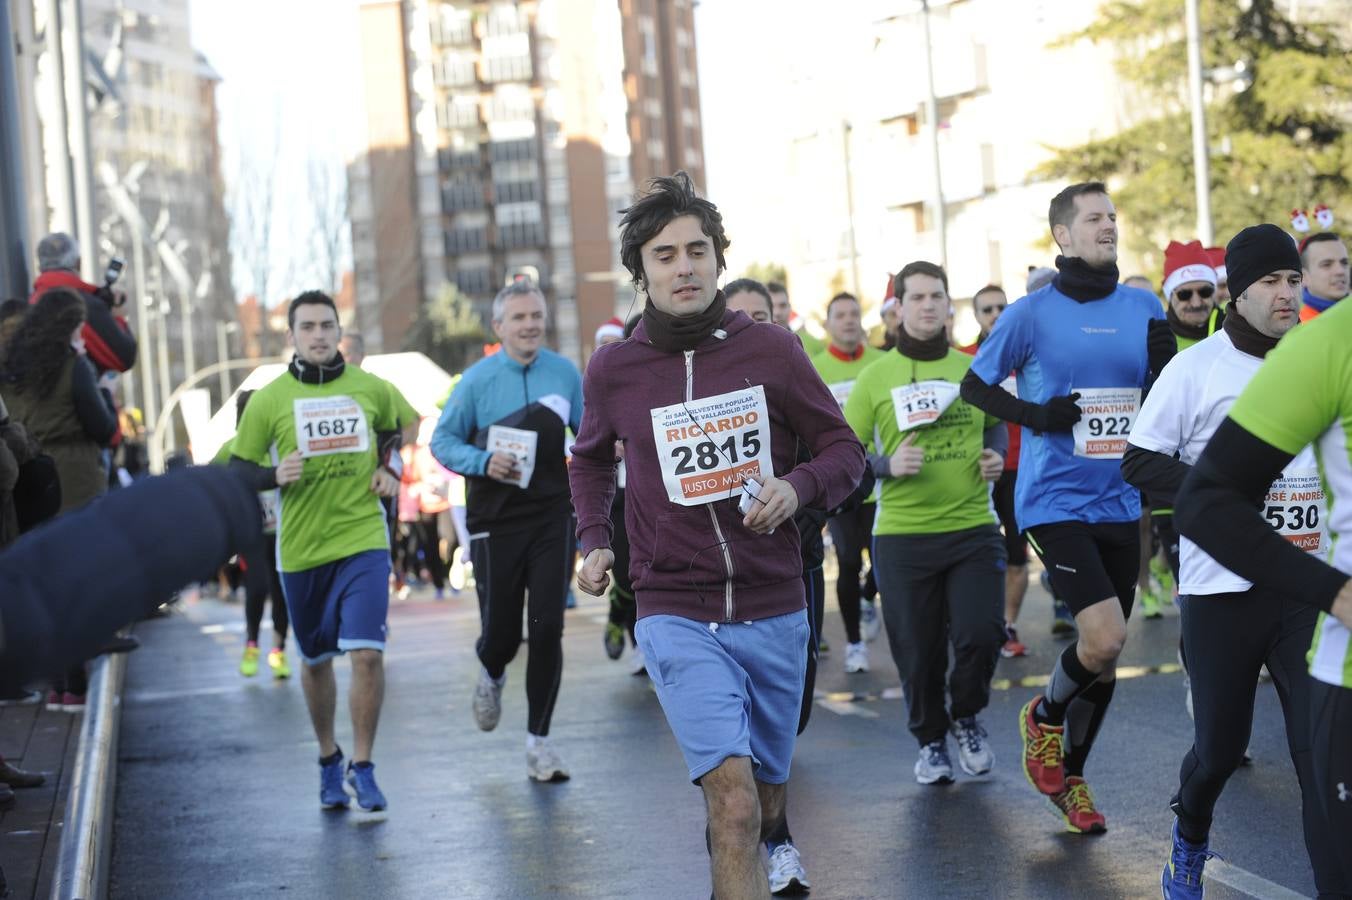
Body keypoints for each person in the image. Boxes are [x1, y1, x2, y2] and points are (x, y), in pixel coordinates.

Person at [569, 172, 864, 899]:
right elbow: (588, 460)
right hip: (673, 605)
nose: (684, 266)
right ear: (642, 271)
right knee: (730, 802)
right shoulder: (615, 369)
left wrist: (796, 489)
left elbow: (843, 451)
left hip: (775, 601)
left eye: (697, 250)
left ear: (718, 260)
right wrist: (592, 539)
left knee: (762, 799)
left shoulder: (770, 350)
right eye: (664, 255)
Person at [1123, 223, 1349, 898]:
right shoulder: (1195, 369)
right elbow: (1139, 460)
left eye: (1291, 280)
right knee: (1220, 750)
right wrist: (1220, 495)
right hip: (1222, 589)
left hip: (1306, 585)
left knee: (1319, 756)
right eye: (1269, 283)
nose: (1285, 294)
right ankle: (1189, 838)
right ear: (1235, 292)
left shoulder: (1315, 354)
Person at [961, 181, 1173, 833]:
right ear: (1063, 236)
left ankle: (1070, 780)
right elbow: (974, 387)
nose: (1108, 226)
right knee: (1105, 637)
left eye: (1112, 216)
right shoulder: (1030, 313)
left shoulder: (1144, 307)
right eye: (1094, 218)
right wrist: (1039, 415)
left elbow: (1164, 394)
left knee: (1102, 662)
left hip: (1121, 498)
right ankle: (1043, 717)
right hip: (1054, 499)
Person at [230, 290, 402, 812]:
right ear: (292, 337)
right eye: (308, 327)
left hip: (362, 539)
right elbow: (240, 470)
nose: (320, 335)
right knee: (316, 661)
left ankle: (364, 767)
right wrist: (271, 474)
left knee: (368, 655)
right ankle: (329, 758)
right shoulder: (268, 399)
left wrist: (389, 470)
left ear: (338, 329)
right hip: (302, 549)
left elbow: (395, 429)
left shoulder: (371, 387)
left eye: (328, 325)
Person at [846, 260, 1006, 785]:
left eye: (937, 296)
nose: (929, 305)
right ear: (897, 308)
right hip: (903, 537)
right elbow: (846, 456)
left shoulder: (974, 370)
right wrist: (888, 465)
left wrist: (993, 457)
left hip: (972, 530)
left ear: (948, 304)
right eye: (917, 298)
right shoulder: (875, 377)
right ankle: (931, 741)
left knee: (982, 634)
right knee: (917, 652)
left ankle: (966, 716)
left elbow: (997, 428)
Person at [430, 279, 584, 783]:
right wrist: (481, 460)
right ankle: (492, 671)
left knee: (547, 627)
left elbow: (589, 433)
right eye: (518, 318)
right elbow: (442, 442)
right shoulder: (475, 382)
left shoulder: (564, 374)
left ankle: (540, 742)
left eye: (536, 315)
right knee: (501, 634)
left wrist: (609, 450)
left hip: (550, 514)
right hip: (495, 520)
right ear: (499, 327)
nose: (530, 325)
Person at [1, 289, 119, 712]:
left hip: (32, 476)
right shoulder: (74, 368)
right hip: (77, 477)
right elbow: (102, 426)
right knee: (77, 582)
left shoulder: (11, 369)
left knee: (45, 586)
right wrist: (106, 396)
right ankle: (76, 685)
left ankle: (56, 684)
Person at [809, 291, 884, 673]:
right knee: (850, 559)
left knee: (883, 562)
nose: (850, 321)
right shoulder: (814, 367)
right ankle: (855, 644)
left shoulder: (882, 363)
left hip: (885, 480)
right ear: (827, 324)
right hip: (842, 482)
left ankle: (870, 596)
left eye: (855, 314)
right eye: (841, 315)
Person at [961, 285, 1029, 657]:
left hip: (1020, 467)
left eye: (1002, 307)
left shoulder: (1027, 352)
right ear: (976, 316)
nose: (995, 314)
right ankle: (973, 622)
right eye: (987, 309)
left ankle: (1008, 626)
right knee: (978, 554)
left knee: (1017, 553)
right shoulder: (964, 359)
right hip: (979, 468)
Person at [214, 390, 290, 679]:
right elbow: (215, 483)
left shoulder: (280, 443)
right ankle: (252, 644)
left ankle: (279, 650)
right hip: (252, 532)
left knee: (282, 590)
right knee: (257, 587)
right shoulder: (229, 449)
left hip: (283, 528)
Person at [30, 233, 136, 377]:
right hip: (78, 394)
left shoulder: (33, 301)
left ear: (40, 266)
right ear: (78, 263)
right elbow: (124, 357)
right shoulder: (80, 304)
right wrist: (118, 316)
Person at [1298, 231, 1348, 321]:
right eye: (1327, 264)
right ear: (1304, 277)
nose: (1340, 271)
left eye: (1344, 263)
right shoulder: (1293, 323)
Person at [768, 280, 824, 357]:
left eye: (782, 305)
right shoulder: (752, 345)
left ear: (790, 307)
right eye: (772, 306)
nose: (777, 312)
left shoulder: (808, 345)